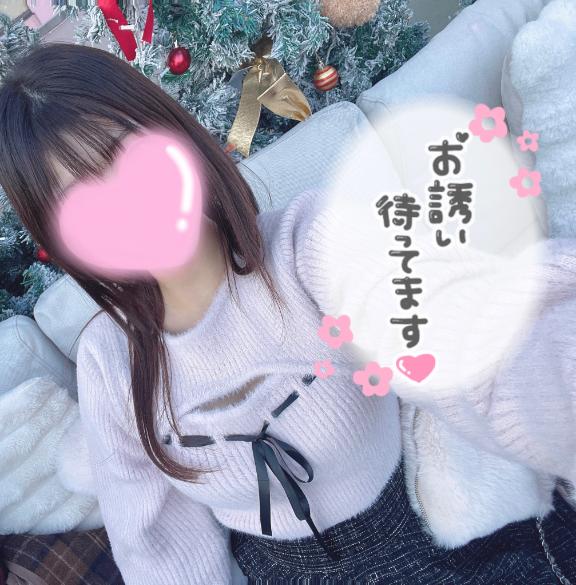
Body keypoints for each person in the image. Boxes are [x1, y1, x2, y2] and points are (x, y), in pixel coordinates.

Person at [1, 41, 576, 585]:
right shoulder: (109, 361)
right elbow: (160, 545)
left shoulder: (314, 244)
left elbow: (477, 336)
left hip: (432, 531)